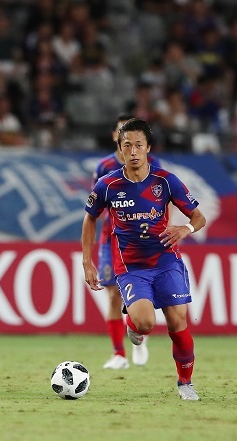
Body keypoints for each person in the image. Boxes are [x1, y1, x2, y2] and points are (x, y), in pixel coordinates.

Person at [82, 118, 206, 400]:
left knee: (177, 322)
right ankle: (133, 328)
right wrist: (87, 262)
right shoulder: (107, 184)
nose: (134, 151)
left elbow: (199, 217)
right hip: (131, 267)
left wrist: (185, 228)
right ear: (120, 149)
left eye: (139, 145)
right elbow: (89, 219)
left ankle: (185, 383)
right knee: (146, 323)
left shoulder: (166, 180)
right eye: (127, 145)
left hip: (166, 261)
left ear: (148, 147)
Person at [91, 113, 161, 370]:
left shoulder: (152, 164)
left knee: (139, 290)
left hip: (141, 239)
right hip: (111, 238)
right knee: (112, 294)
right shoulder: (104, 167)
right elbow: (95, 205)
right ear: (115, 137)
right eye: (123, 133)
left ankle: (138, 334)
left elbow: (162, 197)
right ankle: (119, 354)